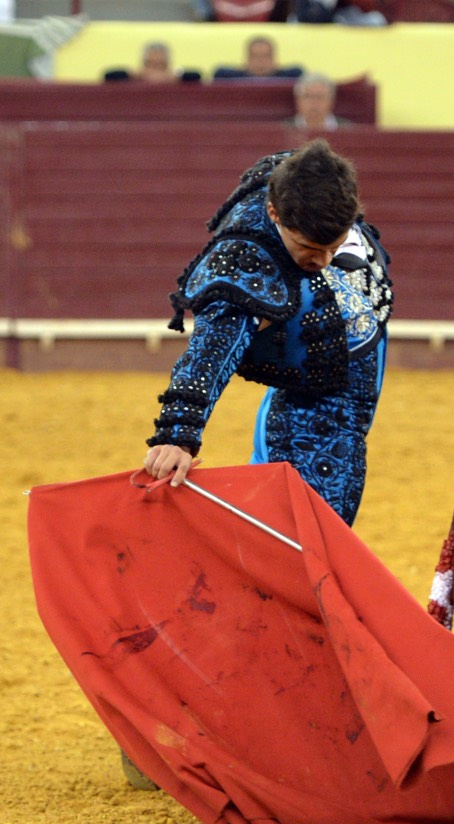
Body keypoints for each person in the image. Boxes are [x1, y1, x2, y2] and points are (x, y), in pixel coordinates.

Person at [143, 139, 394, 528]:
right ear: (274, 213)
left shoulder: (301, 184)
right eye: (309, 247)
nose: (324, 260)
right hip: (321, 399)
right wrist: (177, 435)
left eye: (335, 246)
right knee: (312, 530)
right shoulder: (245, 260)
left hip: (332, 363)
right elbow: (210, 350)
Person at [103, 41, 202, 84]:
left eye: (160, 65)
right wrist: (135, 75)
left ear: (168, 65)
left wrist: (175, 76)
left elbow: (197, 75)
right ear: (143, 64)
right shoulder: (134, 78)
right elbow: (108, 75)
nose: (156, 73)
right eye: (151, 65)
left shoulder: (176, 78)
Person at [212, 35, 303, 81]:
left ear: (274, 60)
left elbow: (299, 73)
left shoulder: (288, 77)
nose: (260, 62)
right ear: (246, 60)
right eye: (255, 56)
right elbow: (219, 73)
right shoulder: (233, 78)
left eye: (265, 56)